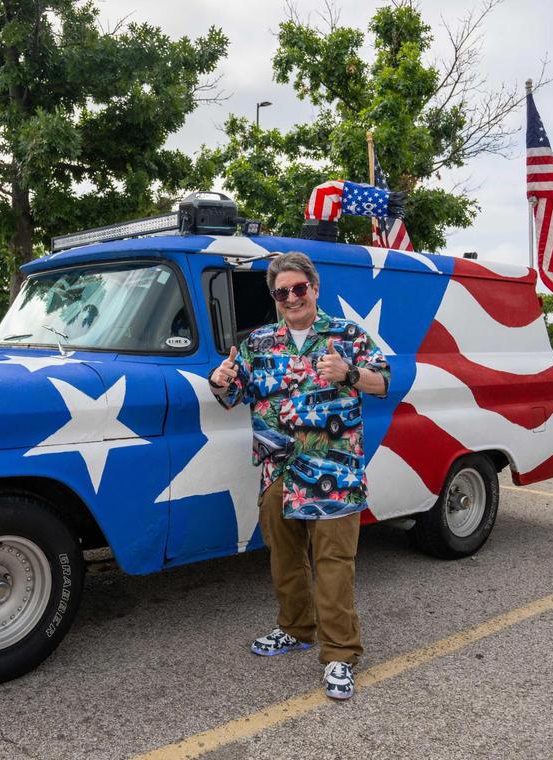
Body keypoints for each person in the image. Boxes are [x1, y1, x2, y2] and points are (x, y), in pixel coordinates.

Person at [208, 252, 391, 701]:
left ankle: (340, 655)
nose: (291, 298)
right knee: (284, 558)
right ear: (274, 298)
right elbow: (234, 396)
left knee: (333, 565)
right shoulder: (260, 341)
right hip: (279, 471)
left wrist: (349, 372)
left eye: (298, 288)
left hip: (333, 469)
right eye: (281, 292)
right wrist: (219, 380)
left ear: (315, 288)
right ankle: (296, 627)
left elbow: (385, 381)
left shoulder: (345, 335)